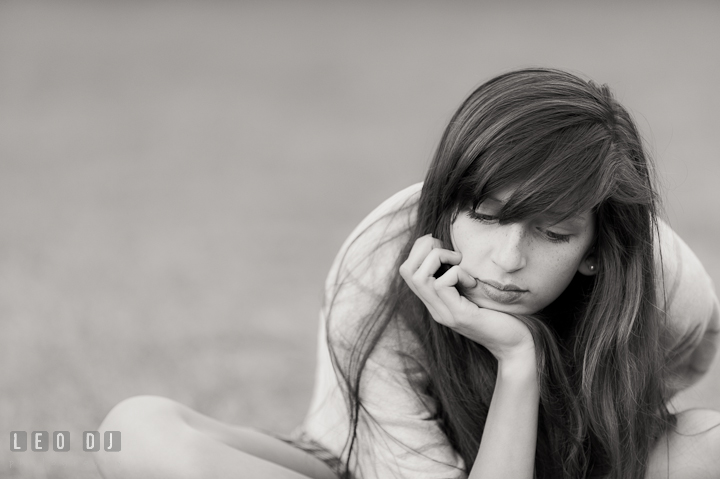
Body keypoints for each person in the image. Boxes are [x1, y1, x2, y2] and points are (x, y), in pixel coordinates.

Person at [94, 68, 720, 479]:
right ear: (448, 200)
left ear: (595, 247)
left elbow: (644, 416)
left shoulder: (665, 287)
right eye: (486, 217)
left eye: (553, 234)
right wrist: (515, 356)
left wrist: (520, 363)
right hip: (371, 463)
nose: (506, 261)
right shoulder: (377, 271)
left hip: (570, 462)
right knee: (135, 431)